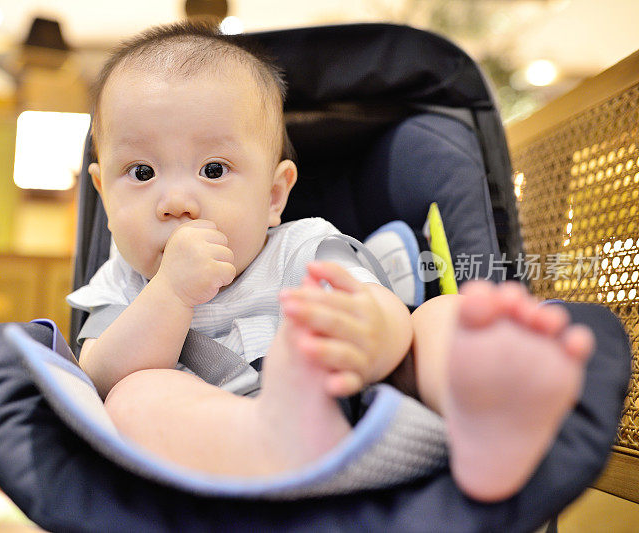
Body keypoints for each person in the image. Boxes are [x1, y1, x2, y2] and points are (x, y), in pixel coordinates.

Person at [67, 21, 594, 502]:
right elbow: (101, 373)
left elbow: (378, 307)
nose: (176, 201)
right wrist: (171, 294)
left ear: (274, 197)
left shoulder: (302, 247)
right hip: (225, 438)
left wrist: (369, 335)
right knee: (134, 396)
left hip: (358, 394)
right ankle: (269, 441)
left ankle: (487, 407)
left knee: (434, 319)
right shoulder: (123, 280)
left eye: (212, 168)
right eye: (140, 173)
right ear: (102, 192)